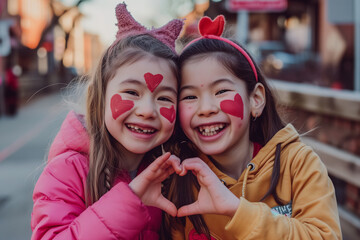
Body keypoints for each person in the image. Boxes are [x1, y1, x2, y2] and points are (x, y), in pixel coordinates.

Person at [162, 15, 341, 239]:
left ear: (255, 99)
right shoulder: (179, 180)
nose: (205, 108)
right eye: (189, 96)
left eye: (221, 91)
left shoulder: (298, 164)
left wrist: (238, 211)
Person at [30, 3, 184, 240]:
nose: (147, 111)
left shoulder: (174, 170)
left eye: (164, 98)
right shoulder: (67, 171)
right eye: (132, 92)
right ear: (101, 97)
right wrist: (130, 199)